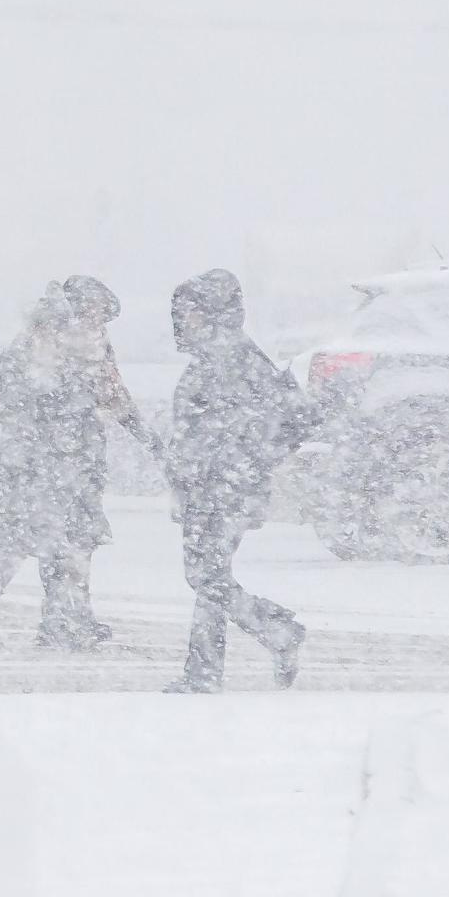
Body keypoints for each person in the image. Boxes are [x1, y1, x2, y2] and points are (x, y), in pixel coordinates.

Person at [0, 275, 154, 651]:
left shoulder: (89, 350)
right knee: (36, 543)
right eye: (92, 312)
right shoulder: (36, 351)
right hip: (43, 464)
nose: (98, 322)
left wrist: (148, 441)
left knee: (73, 541)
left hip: (72, 463)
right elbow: (15, 407)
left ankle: (66, 619)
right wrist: (49, 438)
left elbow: (115, 397)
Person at [163, 269, 316, 692]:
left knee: (206, 577)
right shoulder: (226, 355)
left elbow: (292, 418)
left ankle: (262, 640)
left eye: (191, 311)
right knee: (208, 577)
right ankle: (209, 669)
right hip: (217, 484)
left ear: (213, 311)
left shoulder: (231, 358)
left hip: (222, 486)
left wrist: (240, 457)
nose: (183, 320)